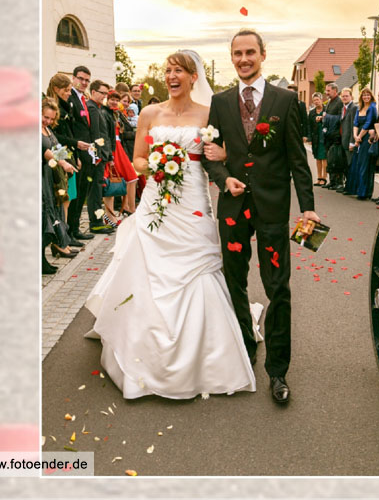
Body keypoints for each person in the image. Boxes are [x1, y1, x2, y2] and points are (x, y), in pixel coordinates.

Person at [85, 50, 255, 400]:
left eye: (179, 70)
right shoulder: (149, 113)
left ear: (194, 77)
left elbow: (221, 154)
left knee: (200, 266)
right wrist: (159, 164)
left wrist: (222, 157)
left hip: (192, 200)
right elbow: (137, 161)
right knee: (146, 264)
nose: (172, 76)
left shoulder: (209, 114)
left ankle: (208, 350)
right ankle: (141, 342)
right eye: (168, 70)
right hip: (157, 200)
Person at [202, 29, 318, 404]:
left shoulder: (285, 101)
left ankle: (278, 371)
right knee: (234, 281)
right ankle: (246, 350)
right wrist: (224, 178)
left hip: (272, 206)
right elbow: (210, 152)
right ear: (232, 57)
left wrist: (308, 207)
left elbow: (298, 161)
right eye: (237, 53)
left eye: (250, 52)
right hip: (233, 208)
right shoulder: (220, 102)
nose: (243, 59)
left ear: (263, 55)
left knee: (277, 287)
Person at [66, 66, 112, 239]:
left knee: (84, 192)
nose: (83, 82)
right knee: (79, 194)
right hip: (78, 152)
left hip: (89, 153)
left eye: (86, 80)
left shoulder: (84, 99)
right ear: (73, 78)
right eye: (81, 79)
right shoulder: (72, 98)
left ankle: (75, 229)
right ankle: (73, 229)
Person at [41, 98, 78, 273]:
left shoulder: (47, 130)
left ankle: (43, 257)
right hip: (39, 175)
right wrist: (63, 164)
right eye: (45, 117)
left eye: (50, 118)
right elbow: (45, 151)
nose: (47, 121)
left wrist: (69, 161)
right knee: (42, 213)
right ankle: (40, 260)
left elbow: (57, 148)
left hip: (49, 177)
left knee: (49, 211)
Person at [46, 73, 81, 246]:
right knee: (63, 198)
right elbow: (54, 137)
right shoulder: (52, 108)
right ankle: (62, 239)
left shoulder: (66, 106)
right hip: (58, 155)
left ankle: (66, 235)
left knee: (69, 197)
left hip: (68, 154)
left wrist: (74, 154)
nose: (69, 93)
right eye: (66, 90)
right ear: (56, 89)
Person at [88, 80, 118, 230]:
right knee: (95, 189)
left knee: (99, 188)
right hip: (97, 155)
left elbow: (106, 133)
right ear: (93, 92)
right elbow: (96, 134)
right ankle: (96, 222)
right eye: (102, 93)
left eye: (106, 93)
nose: (105, 96)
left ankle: (98, 221)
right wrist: (98, 154)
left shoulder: (99, 108)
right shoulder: (92, 108)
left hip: (104, 154)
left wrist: (109, 155)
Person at [105, 90, 138, 218]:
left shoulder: (117, 114)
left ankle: (129, 207)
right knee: (111, 181)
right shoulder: (106, 113)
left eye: (116, 100)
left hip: (119, 147)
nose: (115, 102)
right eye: (112, 99)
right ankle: (111, 215)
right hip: (113, 148)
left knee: (131, 177)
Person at [344, 87, 378, 199]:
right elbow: (355, 123)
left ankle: (364, 192)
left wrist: (359, 136)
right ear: (361, 97)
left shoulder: (372, 107)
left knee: (364, 164)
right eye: (364, 95)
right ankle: (354, 189)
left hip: (367, 137)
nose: (366, 97)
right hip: (358, 137)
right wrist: (355, 136)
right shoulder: (359, 108)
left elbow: (368, 123)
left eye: (368, 95)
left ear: (371, 96)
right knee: (356, 163)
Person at [322, 84, 345, 189]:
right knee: (330, 159)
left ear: (335, 90)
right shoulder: (329, 102)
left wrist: (327, 117)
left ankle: (338, 182)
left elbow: (341, 119)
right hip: (329, 135)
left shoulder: (339, 102)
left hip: (336, 136)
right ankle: (332, 181)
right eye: (326, 91)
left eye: (328, 91)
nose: (326, 93)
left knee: (336, 159)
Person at [338, 88, 358, 193]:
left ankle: (351, 187)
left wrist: (352, 142)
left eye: (347, 96)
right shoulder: (343, 108)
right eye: (343, 96)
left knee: (350, 165)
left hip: (349, 141)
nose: (344, 98)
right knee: (346, 164)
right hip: (343, 140)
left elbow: (353, 126)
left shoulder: (353, 108)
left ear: (351, 97)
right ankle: (347, 186)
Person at [307, 94, 328, 185]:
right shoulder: (311, 112)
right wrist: (309, 138)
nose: (316, 102)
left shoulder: (327, 109)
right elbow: (309, 126)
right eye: (314, 100)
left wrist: (322, 118)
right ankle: (319, 177)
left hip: (325, 136)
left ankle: (324, 177)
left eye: (318, 100)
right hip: (316, 137)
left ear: (321, 99)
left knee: (324, 157)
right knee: (317, 157)